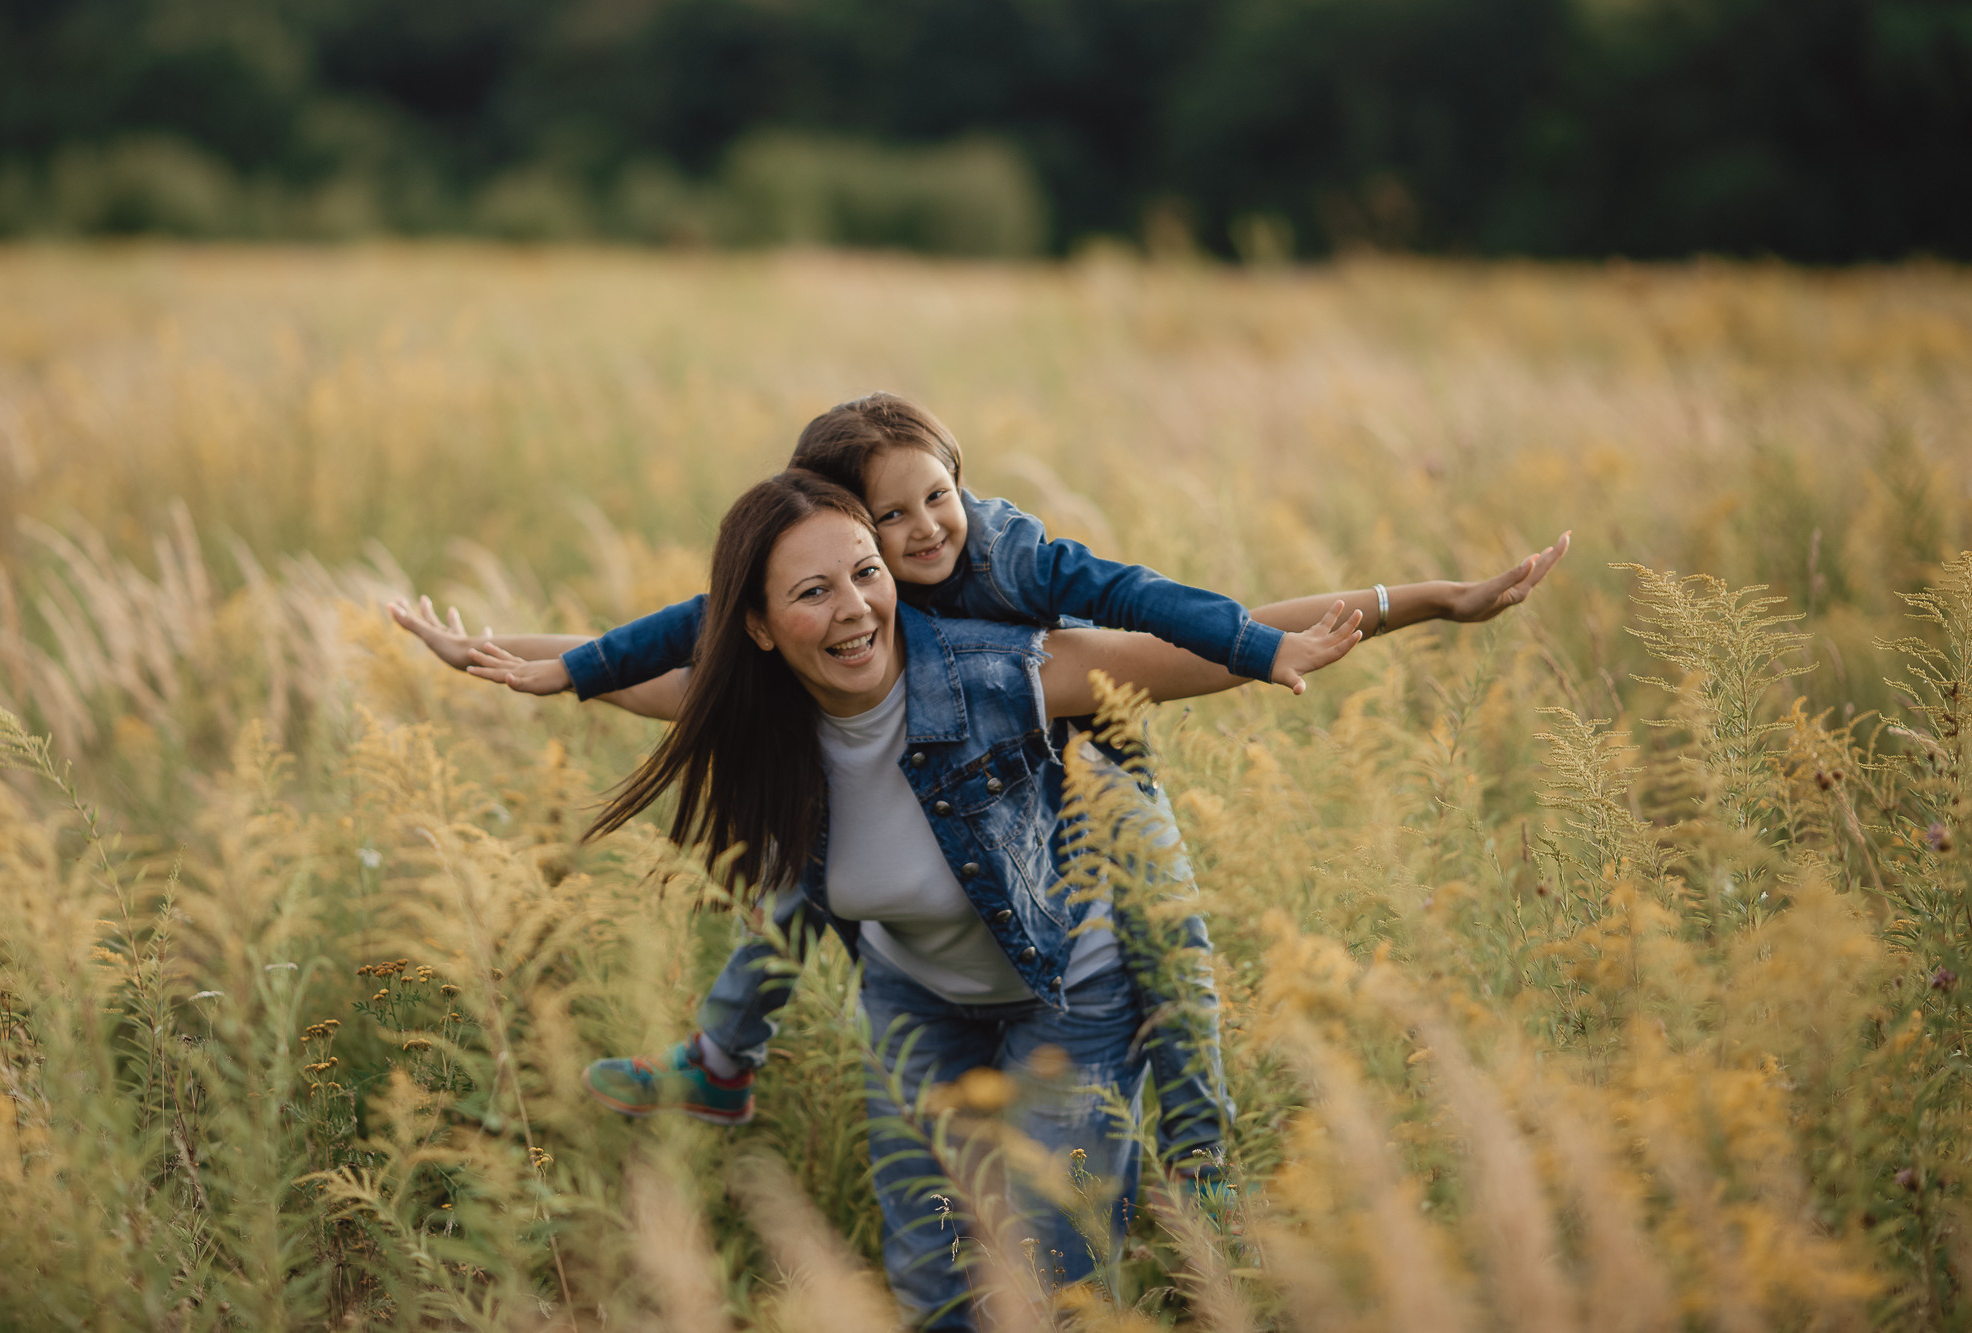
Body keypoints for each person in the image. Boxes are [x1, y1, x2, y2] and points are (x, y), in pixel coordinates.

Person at [388, 393, 1571, 1189]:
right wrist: (524, 661)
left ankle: (1203, 1187)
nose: (915, 535)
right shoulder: (809, 621)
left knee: (1172, 962)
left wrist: (1415, 601)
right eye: (881, 521)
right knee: (806, 861)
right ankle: (721, 1056)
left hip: (1079, 778)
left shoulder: (1010, 569)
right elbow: (670, 646)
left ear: (961, 482)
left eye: (931, 500)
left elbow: (1177, 614)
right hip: (919, 838)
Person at [557, 468, 1370, 1325]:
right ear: (757, 627)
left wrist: (1418, 599)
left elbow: (1196, 637)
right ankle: (720, 1059)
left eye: (867, 572)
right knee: (935, 1284)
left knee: (1055, 1281)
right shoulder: (765, 712)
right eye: (812, 591)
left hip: (1072, 996)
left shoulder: (997, 673)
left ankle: (1201, 1163)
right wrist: (503, 660)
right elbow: (606, 663)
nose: (854, 608)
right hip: (918, 1007)